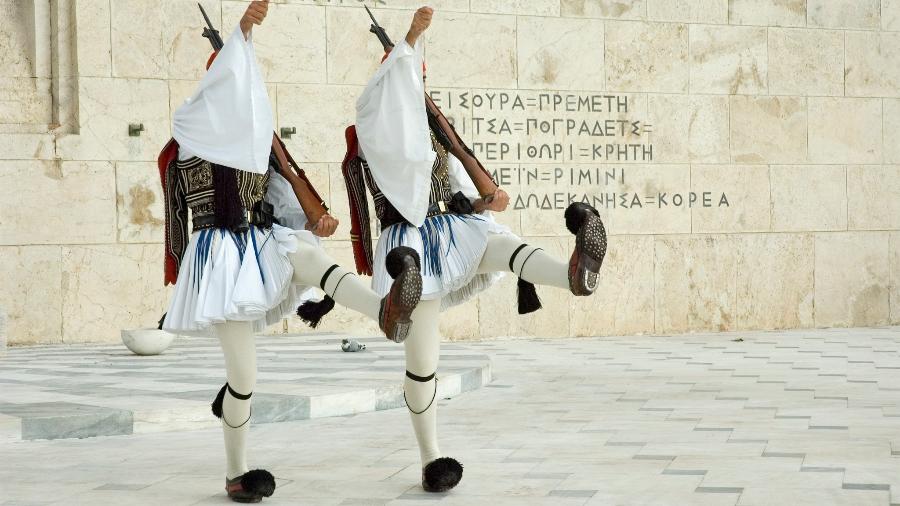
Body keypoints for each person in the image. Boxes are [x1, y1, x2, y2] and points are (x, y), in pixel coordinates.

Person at [324, 6, 609, 493]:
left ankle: (575, 272)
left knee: (501, 241)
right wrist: (409, 41)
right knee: (422, 360)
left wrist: (485, 197)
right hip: (407, 249)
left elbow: (460, 184)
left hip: (452, 226)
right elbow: (385, 169)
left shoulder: (435, 129)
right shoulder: (374, 131)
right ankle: (432, 457)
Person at [158, 2, 423, 501]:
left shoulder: (255, 141)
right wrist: (241, 33)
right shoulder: (190, 133)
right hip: (219, 258)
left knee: (316, 260)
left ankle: (385, 311)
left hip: (264, 238)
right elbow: (179, 210)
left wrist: (314, 219)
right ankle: (236, 472)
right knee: (243, 377)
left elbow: (283, 194)